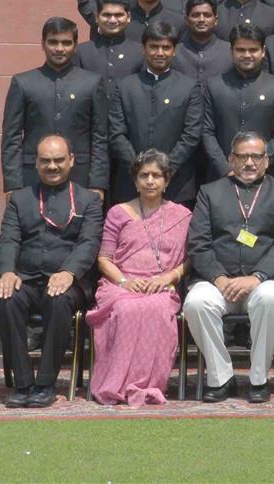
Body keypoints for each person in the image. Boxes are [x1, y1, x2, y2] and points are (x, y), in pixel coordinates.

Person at [184, 131, 274, 403]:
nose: (250, 163)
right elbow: (198, 244)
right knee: (196, 303)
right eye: (243, 156)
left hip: (265, 280)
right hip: (218, 281)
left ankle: (259, 378)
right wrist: (219, 278)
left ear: (267, 160)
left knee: (270, 298)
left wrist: (257, 277)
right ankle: (220, 376)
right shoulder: (210, 192)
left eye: (256, 156)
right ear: (230, 159)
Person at [0, 135, 104, 408]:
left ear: (71, 161)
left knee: (58, 301)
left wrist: (69, 272)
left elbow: (89, 242)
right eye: (45, 161)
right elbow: (9, 239)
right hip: (27, 278)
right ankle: (22, 383)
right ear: (36, 163)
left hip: (69, 282)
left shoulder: (88, 200)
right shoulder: (20, 199)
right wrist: (7, 271)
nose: (52, 166)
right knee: (5, 300)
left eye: (58, 160)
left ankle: (45, 383)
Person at [86, 149, 191, 406]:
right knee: (125, 308)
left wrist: (168, 277)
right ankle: (117, 383)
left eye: (157, 175)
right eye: (144, 175)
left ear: (167, 181)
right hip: (121, 284)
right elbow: (104, 258)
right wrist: (125, 282)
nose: (150, 181)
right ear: (135, 181)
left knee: (157, 308)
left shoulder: (183, 216)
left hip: (162, 285)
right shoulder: (118, 213)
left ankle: (151, 384)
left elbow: (190, 260)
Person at [1, 17, 109, 195]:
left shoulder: (92, 82)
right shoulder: (23, 82)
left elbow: (100, 137)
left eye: (66, 43)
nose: (59, 49)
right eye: (53, 42)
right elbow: (11, 137)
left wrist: (97, 183)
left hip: (80, 176)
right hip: (32, 176)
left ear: (75, 46)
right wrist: (13, 184)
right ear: (43, 44)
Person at [108, 21, 204, 206]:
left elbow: (191, 135)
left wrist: (166, 169)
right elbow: (116, 133)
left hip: (177, 186)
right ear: (143, 49)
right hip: (130, 183)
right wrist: (139, 168)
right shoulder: (125, 86)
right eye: (154, 47)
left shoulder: (189, 86)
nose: (160, 53)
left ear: (174, 50)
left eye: (166, 47)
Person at [202, 22, 274, 176]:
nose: (247, 55)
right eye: (241, 50)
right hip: (222, 175)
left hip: (266, 175)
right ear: (231, 51)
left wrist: (257, 163)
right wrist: (226, 167)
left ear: (263, 51)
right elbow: (207, 132)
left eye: (253, 50)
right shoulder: (214, 85)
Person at [74, 0, 143, 88]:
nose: (112, 20)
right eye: (107, 15)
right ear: (97, 17)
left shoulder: (140, 52)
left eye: (118, 15)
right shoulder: (81, 52)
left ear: (128, 17)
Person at [173, 0, 233, 82]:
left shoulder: (229, 51)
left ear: (216, 20)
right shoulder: (174, 52)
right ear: (186, 20)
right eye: (196, 15)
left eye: (207, 15)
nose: (201, 19)